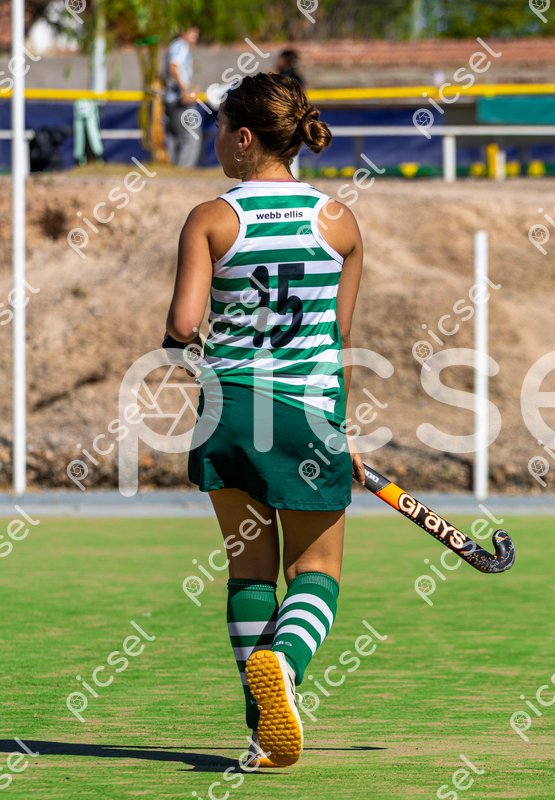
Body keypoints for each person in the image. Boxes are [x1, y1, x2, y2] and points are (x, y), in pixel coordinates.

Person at [164, 73, 365, 768]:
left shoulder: (211, 218)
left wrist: (195, 345)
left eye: (219, 128)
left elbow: (183, 324)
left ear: (245, 137)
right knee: (317, 572)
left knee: (249, 571)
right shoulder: (338, 222)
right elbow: (338, 341)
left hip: (228, 412)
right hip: (310, 413)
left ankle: (261, 736)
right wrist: (342, 432)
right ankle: (285, 661)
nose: (215, 140)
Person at [163, 26, 202, 166]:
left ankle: (174, 172)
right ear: (182, 32)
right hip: (179, 100)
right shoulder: (181, 45)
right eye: (192, 32)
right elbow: (173, 67)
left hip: (170, 99)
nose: (195, 36)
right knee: (191, 137)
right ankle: (183, 171)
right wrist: (185, 90)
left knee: (174, 138)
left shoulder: (175, 45)